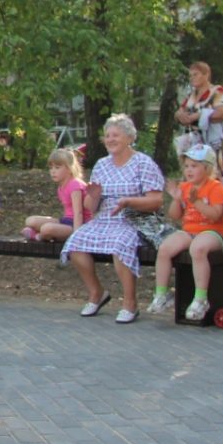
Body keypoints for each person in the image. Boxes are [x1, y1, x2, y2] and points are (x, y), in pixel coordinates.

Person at [62, 114, 165, 324]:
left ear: (129, 137)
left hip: (133, 220)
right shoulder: (101, 164)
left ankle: (130, 303)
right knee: (75, 243)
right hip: (104, 220)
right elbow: (90, 207)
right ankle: (96, 293)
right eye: (107, 135)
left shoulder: (143, 163)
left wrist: (129, 201)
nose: (110, 139)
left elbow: (156, 201)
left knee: (119, 244)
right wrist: (93, 195)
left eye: (115, 135)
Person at [148, 145, 223, 321]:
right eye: (187, 166)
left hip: (212, 232)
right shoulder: (184, 187)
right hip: (189, 230)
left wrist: (196, 201)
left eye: (195, 166)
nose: (189, 170)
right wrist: (177, 199)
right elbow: (175, 216)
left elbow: (215, 216)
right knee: (164, 248)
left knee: (197, 249)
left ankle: (201, 298)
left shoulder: (215, 187)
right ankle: (161, 294)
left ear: (207, 168)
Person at [174, 62, 223, 177]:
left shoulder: (216, 91)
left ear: (206, 75)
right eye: (190, 75)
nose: (192, 78)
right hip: (192, 142)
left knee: (214, 175)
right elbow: (180, 111)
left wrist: (200, 116)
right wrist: (180, 116)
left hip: (212, 142)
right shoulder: (191, 95)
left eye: (195, 74)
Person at [22, 148, 91, 242]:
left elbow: (78, 213)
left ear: (69, 169)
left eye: (57, 168)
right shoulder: (61, 187)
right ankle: (41, 233)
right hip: (66, 221)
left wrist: (76, 236)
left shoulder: (75, 185)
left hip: (79, 225)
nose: (53, 171)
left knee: (47, 229)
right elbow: (67, 213)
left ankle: (39, 236)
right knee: (30, 220)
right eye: (51, 168)